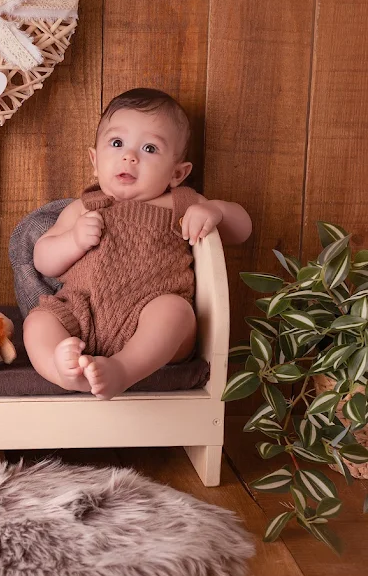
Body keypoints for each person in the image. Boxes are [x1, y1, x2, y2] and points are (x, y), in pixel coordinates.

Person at [22, 88, 252, 400]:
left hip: (149, 318)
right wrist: (73, 240)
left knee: (176, 312)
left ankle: (123, 370)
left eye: (149, 148)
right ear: (95, 160)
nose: (130, 156)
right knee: (38, 322)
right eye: (117, 143)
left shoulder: (180, 203)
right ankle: (64, 371)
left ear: (177, 173)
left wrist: (215, 211)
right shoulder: (84, 208)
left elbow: (243, 230)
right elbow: (43, 260)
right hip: (80, 314)